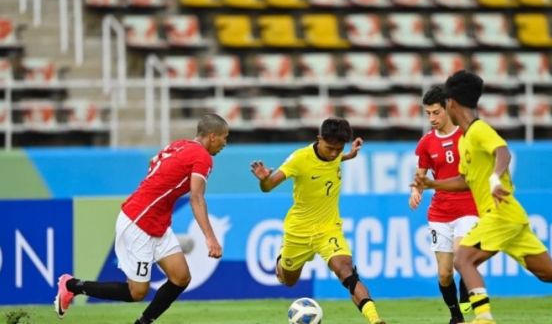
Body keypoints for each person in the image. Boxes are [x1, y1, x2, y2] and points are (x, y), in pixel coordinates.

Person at [412, 70, 552, 324]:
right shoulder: (466, 139)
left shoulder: (479, 130)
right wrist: (432, 183)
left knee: (463, 259)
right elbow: (464, 181)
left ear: (451, 103)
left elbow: (503, 152)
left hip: (499, 212)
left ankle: (483, 318)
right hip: (509, 216)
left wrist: (495, 178)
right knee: (547, 271)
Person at [54, 114, 230, 324]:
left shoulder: (179, 145)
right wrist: (210, 238)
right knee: (137, 292)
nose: (225, 143)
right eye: (224, 138)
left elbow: (152, 162)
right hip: (139, 222)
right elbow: (196, 196)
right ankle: (72, 285)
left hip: (157, 222)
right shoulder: (203, 157)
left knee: (181, 277)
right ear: (212, 136)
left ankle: (143, 322)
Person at [250, 117, 386, 324]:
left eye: (338, 149)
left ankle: (375, 319)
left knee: (347, 271)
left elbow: (333, 161)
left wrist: (348, 155)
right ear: (319, 138)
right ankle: (281, 258)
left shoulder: (336, 155)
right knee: (288, 281)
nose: (333, 154)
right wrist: (264, 180)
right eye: (330, 148)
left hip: (328, 229)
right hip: (299, 231)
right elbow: (268, 187)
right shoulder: (299, 159)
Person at [409, 85, 478, 324]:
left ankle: (465, 288)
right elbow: (421, 175)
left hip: (469, 207)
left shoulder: (467, 135)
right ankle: (456, 316)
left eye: (436, 112)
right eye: (427, 113)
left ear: (448, 108)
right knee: (444, 273)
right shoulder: (426, 142)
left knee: (462, 257)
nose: (432, 118)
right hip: (440, 212)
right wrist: (415, 190)